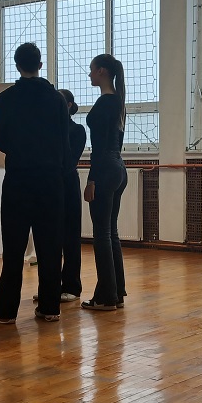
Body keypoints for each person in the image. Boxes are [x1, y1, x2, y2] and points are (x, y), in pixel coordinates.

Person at [0, 43, 71, 323]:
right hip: (51, 180)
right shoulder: (57, 99)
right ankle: (50, 307)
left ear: (17, 65)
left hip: (19, 178)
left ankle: (5, 311)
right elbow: (65, 143)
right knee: (50, 245)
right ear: (40, 64)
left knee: (14, 246)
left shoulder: (6, 98)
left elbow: (0, 141)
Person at [82, 54, 127, 312]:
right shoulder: (118, 101)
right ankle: (115, 293)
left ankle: (106, 297)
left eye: (91, 70)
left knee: (101, 235)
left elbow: (99, 148)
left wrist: (92, 179)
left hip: (105, 169)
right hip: (118, 167)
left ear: (101, 71)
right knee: (111, 233)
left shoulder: (105, 102)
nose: (89, 74)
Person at [56, 88, 87, 301]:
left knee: (70, 237)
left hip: (67, 184)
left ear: (68, 106)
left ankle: (72, 286)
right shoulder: (48, 128)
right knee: (50, 237)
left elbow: (69, 160)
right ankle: (50, 286)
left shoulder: (77, 130)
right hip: (50, 184)